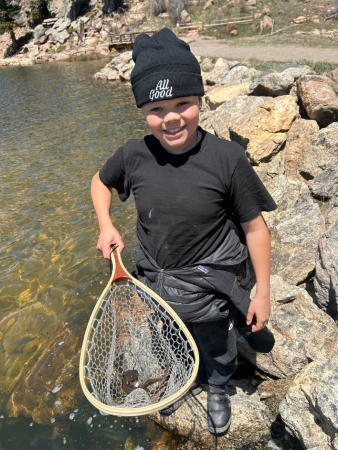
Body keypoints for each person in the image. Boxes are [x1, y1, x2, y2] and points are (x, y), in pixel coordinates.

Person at [91, 28, 277, 435]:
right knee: (171, 332)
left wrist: (262, 292)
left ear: (200, 99)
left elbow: (255, 229)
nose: (171, 117)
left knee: (215, 341)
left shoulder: (228, 159)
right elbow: (100, 182)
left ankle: (217, 385)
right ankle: (187, 369)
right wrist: (106, 224)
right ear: (141, 109)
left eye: (182, 103)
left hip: (210, 282)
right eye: (156, 107)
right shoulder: (134, 154)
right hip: (158, 279)